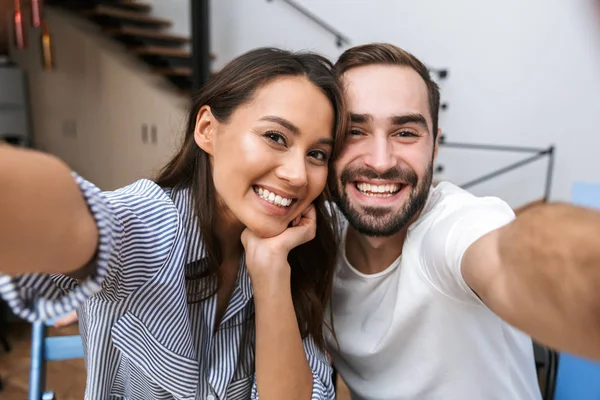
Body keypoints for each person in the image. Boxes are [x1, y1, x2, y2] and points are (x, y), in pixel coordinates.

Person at [0, 47, 348, 399]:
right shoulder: (155, 223)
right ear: (207, 129)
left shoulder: (300, 254)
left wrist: (270, 270)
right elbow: (73, 216)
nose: (298, 175)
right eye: (275, 137)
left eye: (316, 154)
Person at [325, 43, 600, 400]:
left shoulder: (452, 228)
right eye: (354, 130)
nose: (380, 161)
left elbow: (505, 257)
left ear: (435, 147)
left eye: (405, 132)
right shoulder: (319, 238)